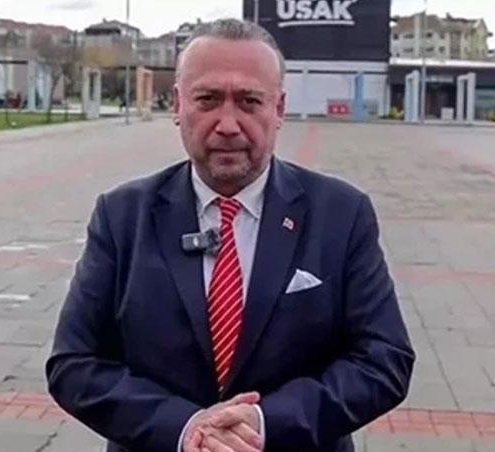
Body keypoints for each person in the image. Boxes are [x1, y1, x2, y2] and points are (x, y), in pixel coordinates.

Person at [46, 18, 415, 452]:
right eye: (207, 99)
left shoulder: (341, 213)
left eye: (249, 101)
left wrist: (264, 423)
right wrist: (184, 428)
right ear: (178, 105)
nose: (227, 124)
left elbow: (383, 360)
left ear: (278, 109)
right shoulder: (122, 216)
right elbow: (74, 364)